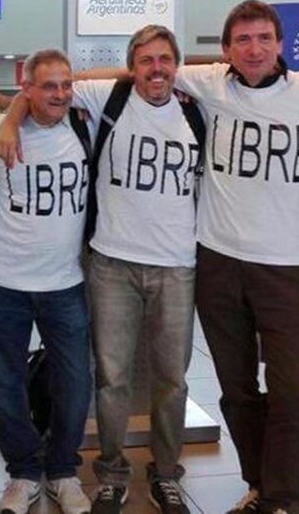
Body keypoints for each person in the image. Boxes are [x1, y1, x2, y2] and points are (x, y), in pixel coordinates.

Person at [0, 0, 299, 514]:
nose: (254, 48)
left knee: (289, 392)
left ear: (279, 43)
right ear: (225, 52)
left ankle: (279, 496)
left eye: (263, 38)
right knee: (226, 390)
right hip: (204, 261)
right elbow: (69, 82)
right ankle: (251, 485)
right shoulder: (202, 85)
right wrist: (15, 113)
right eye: (242, 40)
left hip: (276, 267)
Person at [77, 26, 198, 514]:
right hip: (112, 262)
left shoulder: (197, 109)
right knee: (111, 377)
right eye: (145, 60)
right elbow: (57, 78)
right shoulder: (110, 97)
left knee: (173, 379)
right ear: (131, 65)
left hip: (176, 266)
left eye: (165, 59)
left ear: (178, 63)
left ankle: (166, 473)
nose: (156, 69)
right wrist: (122, 75)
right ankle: (112, 471)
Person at [0, 49, 92, 514]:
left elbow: (120, 73)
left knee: (75, 381)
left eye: (66, 85)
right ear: (26, 89)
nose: (60, 94)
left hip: (64, 282)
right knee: (6, 384)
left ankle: (63, 470)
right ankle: (24, 472)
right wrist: (10, 115)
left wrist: (19, 106)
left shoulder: (84, 125)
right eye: (48, 86)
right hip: (3, 280)